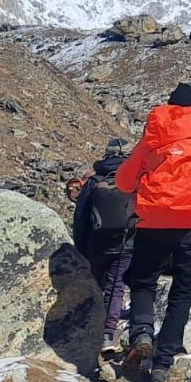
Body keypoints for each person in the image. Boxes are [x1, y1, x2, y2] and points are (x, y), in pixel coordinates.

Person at [117, 83, 191, 382]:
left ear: (168, 108)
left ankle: (142, 332)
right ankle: (163, 363)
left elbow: (124, 182)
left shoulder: (152, 136)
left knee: (142, 281)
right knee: (182, 291)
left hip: (152, 222)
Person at [70, 138, 135, 351]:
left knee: (96, 285)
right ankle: (108, 334)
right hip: (126, 243)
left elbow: (81, 217)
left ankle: (89, 330)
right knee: (117, 286)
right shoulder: (135, 178)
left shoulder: (93, 181)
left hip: (96, 244)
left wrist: (80, 247)